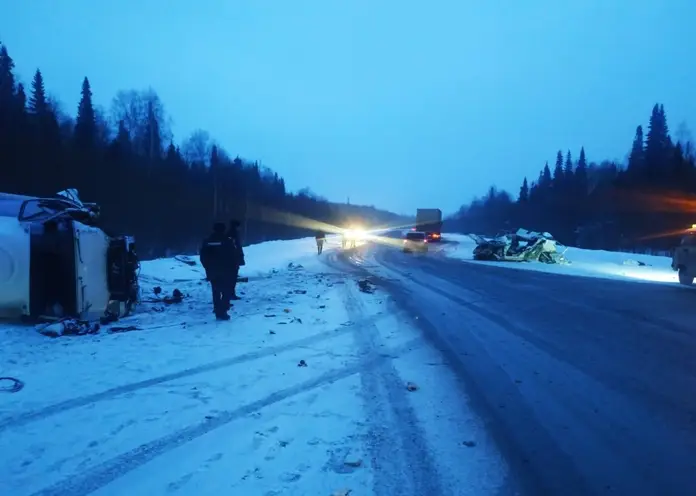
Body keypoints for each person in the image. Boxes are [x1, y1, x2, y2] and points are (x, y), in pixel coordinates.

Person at [200, 222, 235, 320]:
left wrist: (207, 267)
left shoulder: (207, 241)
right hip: (225, 270)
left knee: (215, 291)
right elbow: (232, 256)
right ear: (223, 230)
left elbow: (203, 256)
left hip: (212, 270)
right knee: (226, 291)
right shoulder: (227, 241)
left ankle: (217, 309)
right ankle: (223, 311)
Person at [226, 219, 246, 301]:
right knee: (232, 278)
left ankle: (230, 293)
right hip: (233, 260)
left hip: (232, 259)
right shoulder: (233, 235)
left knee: (232, 278)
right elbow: (235, 248)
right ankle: (230, 294)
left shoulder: (231, 234)